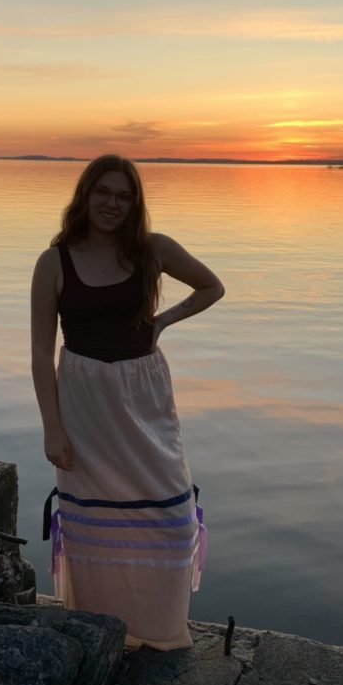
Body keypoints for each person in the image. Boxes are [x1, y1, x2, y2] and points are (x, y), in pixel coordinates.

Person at [30, 154, 225, 650]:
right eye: (103, 192)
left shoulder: (152, 250)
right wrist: (52, 429)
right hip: (84, 401)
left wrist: (163, 321)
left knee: (171, 517)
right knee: (93, 524)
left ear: (135, 203)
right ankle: (103, 631)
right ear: (85, 195)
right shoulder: (54, 261)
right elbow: (39, 353)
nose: (112, 203)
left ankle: (159, 634)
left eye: (123, 195)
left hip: (144, 398)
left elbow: (211, 287)